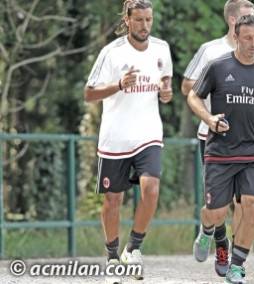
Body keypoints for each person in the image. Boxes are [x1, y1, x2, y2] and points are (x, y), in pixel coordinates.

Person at [187, 14, 254, 284]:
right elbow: (193, 95)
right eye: (248, 38)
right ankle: (207, 230)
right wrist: (208, 119)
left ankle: (237, 266)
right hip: (220, 151)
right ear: (236, 36)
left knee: (252, 205)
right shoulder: (218, 67)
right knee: (217, 212)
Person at [84, 1, 173, 283]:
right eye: (139, 20)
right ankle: (112, 258)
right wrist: (119, 85)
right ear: (128, 20)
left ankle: (133, 248)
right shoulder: (111, 53)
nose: (145, 26)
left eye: (149, 20)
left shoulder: (162, 48)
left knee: (152, 188)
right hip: (115, 138)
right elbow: (89, 93)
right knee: (113, 200)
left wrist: (167, 92)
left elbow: (166, 82)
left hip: (149, 134)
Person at [181, 0, 254, 277]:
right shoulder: (211, 51)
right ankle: (219, 242)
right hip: (213, 137)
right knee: (218, 207)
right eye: (246, 17)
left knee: (245, 203)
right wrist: (213, 109)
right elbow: (187, 87)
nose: (252, 22)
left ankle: (236, 263)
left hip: (248, 140)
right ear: (232, 21)